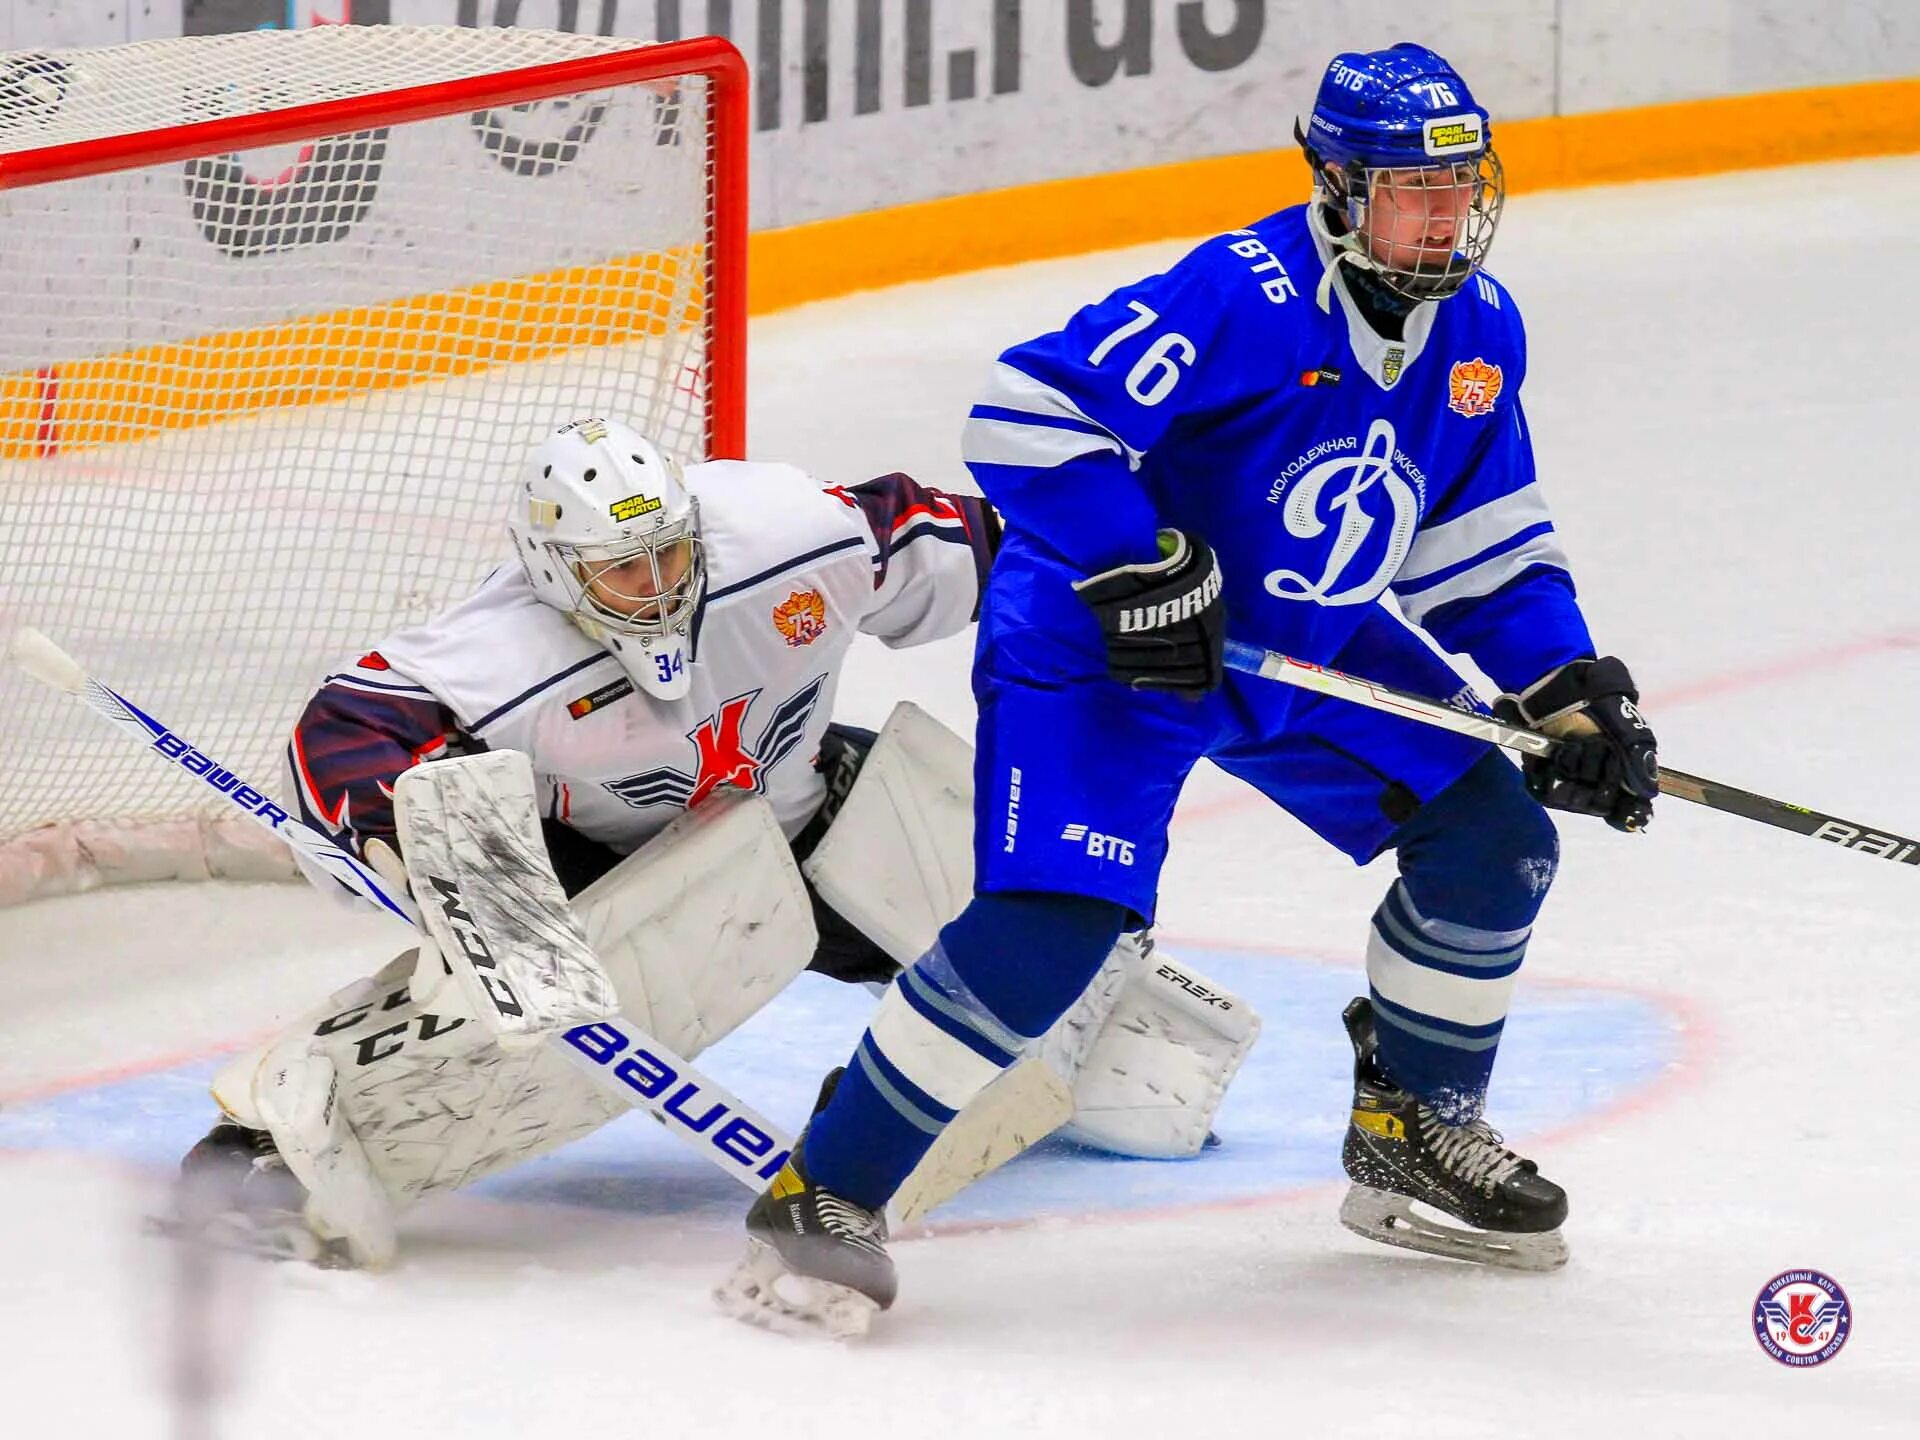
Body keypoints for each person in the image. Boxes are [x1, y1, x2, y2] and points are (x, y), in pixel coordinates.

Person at [720, 43, 1660, 1335]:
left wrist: (1565, 686)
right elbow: (1026, 411)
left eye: (1458, 187)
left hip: (1302, 642)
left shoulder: (1479, 332)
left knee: (1490, 841)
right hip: (1110, 643)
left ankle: (1412, 1126)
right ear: (1335, 185)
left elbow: (1477, 545)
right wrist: (1136, 561)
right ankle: (824, 1194)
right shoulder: (1244, 294)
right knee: (1058, 924)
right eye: (1408, 190)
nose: (1442, 218)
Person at [174, 415, 1000, 1260]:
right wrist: (412, 851)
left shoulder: (788, 537)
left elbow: (972, 541)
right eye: (622, 572)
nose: (657, 589)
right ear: (554, 575)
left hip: (804, 809)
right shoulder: (501, 655)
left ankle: (962, 1059)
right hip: (623, 867)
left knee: (1008, 929)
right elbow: (342, 730)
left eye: (670, 556)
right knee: (529, 998)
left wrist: (1116, 592)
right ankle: (269, 1144)